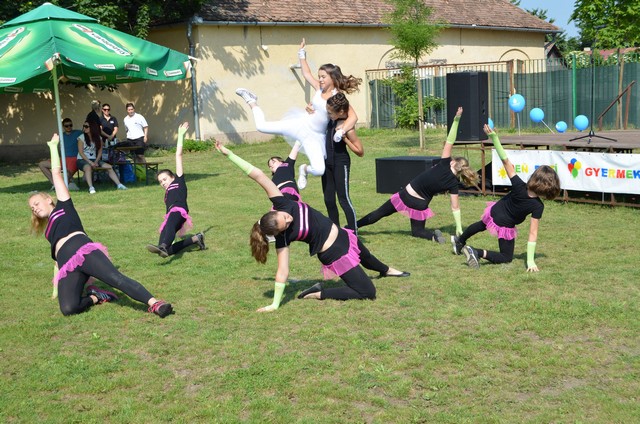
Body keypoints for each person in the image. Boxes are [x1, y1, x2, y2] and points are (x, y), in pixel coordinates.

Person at [215, 142, 409, 313]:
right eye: (286, 225)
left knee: (365, 256)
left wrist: (228, 153)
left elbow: (257, 175)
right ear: (279, 232)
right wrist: (274, 304)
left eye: (285, 217)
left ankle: (386, 270)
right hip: (334, 252)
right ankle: (317, 293)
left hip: (342, 235)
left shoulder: (282, 202)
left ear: (276, 211)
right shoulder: (283, 238)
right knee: (367, 291)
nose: (289, 219)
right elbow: (282, 271)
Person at [28, 134, 173, 317]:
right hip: (67, 265)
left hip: (82, 250)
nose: (34, 208)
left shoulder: (64, 207)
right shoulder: (49, 231)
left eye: (37, 203)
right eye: (32, 208)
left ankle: (155, 304)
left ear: (49, 199)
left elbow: (56, 173)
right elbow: (57, 262)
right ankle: (96, 296)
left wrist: (52, 147)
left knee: (115, 278)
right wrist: (56, 288)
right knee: (68, 308)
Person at [235, 38, 362, 190]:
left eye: (323, 77)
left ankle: (304, 169)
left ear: (332, 78)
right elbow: (306, 74)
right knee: (261, 126)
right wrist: (301, 53)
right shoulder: (318, 88)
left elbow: (353, 117)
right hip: (300, 124)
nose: (320, 79)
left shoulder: (337, 97)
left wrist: (341, 131)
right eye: (319, 76)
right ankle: (251, 101)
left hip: (315, 137)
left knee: (319, 170)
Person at [357, 107, 479, 243]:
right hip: (421, 204)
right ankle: (433, 237)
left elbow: (450, 140)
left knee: (379, 213)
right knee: (417, 231)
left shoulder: (444, 163)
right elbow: (455, 207)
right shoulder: (453, 184)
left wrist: (456, 120)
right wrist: (459, 227)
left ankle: (353, 226)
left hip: (406, 195)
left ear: (453, 162)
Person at [452, 124, 561, 271]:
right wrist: (530, 261)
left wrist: (494, 138)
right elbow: (533, 233)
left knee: (481, 225)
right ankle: (476, 252)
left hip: (495, 211)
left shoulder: (519, 185)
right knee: (506, 257)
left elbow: (505, 161)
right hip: (505, 223)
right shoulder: (538, 206)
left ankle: (460, 241)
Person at [147, 123, 206, 258]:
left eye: (165, 179)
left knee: (164, 242)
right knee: (165, 251)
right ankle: (196, 238)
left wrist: (180, 135)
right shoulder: (167, 194)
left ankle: (163, 245)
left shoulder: (178, 181)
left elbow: (178, 155)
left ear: (172, 177)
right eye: (160, 182)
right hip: (171, 215)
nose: (163, 183)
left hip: (179, 211)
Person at [322, 93, 364, 233]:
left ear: (340, 112)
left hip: (341, 163)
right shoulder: (329, 121)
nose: (328, 114)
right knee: (329, 199)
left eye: (330, 113)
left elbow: (360, 151)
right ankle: (336, 232)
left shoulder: (347, 127)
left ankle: (354, 232)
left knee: (343, 198)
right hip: (327, 164)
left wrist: (345, 138)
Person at [77, 121, 128, 194]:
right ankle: (91, 187)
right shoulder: (81, 138)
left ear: (92, 128)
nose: (84, 128)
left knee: (109, 167)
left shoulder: (98, 138)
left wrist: (96, 161)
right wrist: (90, 162)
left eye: (86, 126)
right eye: (84, 126)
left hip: (94, 159)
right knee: (88, 167)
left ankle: (119, 185)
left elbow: (100, 151)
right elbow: (81, 152)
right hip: (82, 159)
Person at [38, 118, 81, 191]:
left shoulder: (78, 133)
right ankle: (55, 184)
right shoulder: (60, 135)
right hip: (63, 159)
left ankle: (64, 185)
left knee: (67, 175)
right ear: (63, 127)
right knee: (42, 164)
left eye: (70, 125)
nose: (69, 127)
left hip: (74, 158)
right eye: (66, 126)